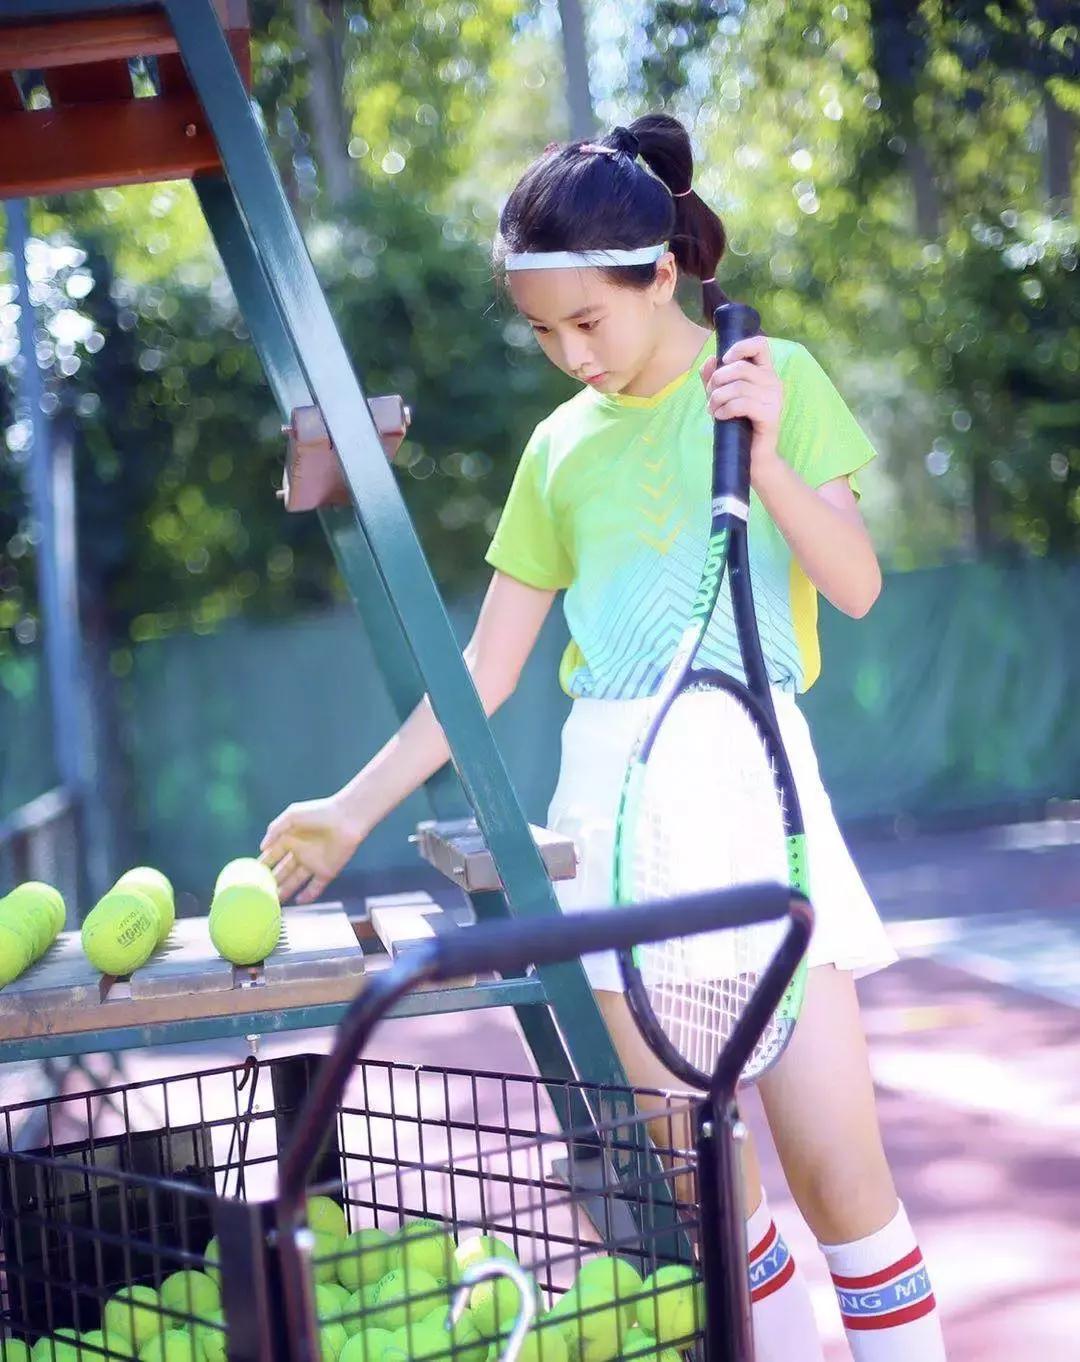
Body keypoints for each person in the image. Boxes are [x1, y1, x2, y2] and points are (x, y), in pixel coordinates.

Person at [259, 113, 946, 1362]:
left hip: (759, 810)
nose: (570, 354)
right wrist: (349, 809)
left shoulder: (777, 372)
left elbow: (854, 582)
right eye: (542, 331)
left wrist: (770, 445)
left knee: (850, 1192)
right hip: (611, 831)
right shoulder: (554, 452)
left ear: (660, 276)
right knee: (711, 1217)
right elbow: (486, 669)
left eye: (591, 321)